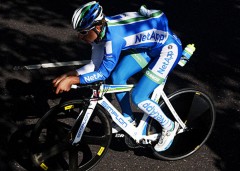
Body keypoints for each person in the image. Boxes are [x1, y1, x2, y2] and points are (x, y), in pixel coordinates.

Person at [53, 1, 182, 152]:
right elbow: (94, 65)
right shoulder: (99, 33)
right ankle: (128, 118)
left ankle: (169, 126)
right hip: (148, 47)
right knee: (117, 77)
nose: (80, 37)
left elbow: (102, 73)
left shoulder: (114, 38)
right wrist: (70, 74)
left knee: (139, 97)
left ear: (97, 26)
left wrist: (73, 80)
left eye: (83, 32)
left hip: (167, 50)